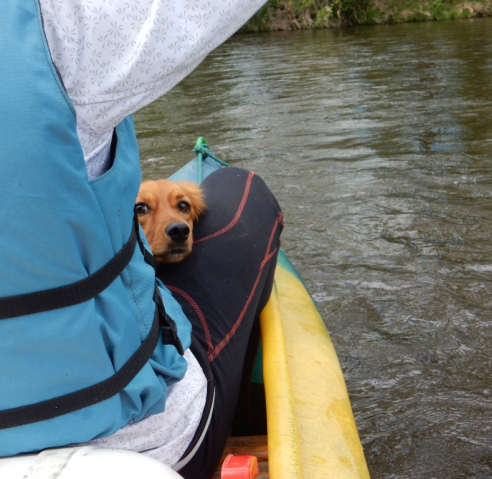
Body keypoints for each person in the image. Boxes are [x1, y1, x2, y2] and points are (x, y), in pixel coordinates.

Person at [0, 1, 281, 477]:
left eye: (183, 210)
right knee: (244, 190)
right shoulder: (52, 30)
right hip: (139, 439)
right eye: (144, 211)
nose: (175, 224)